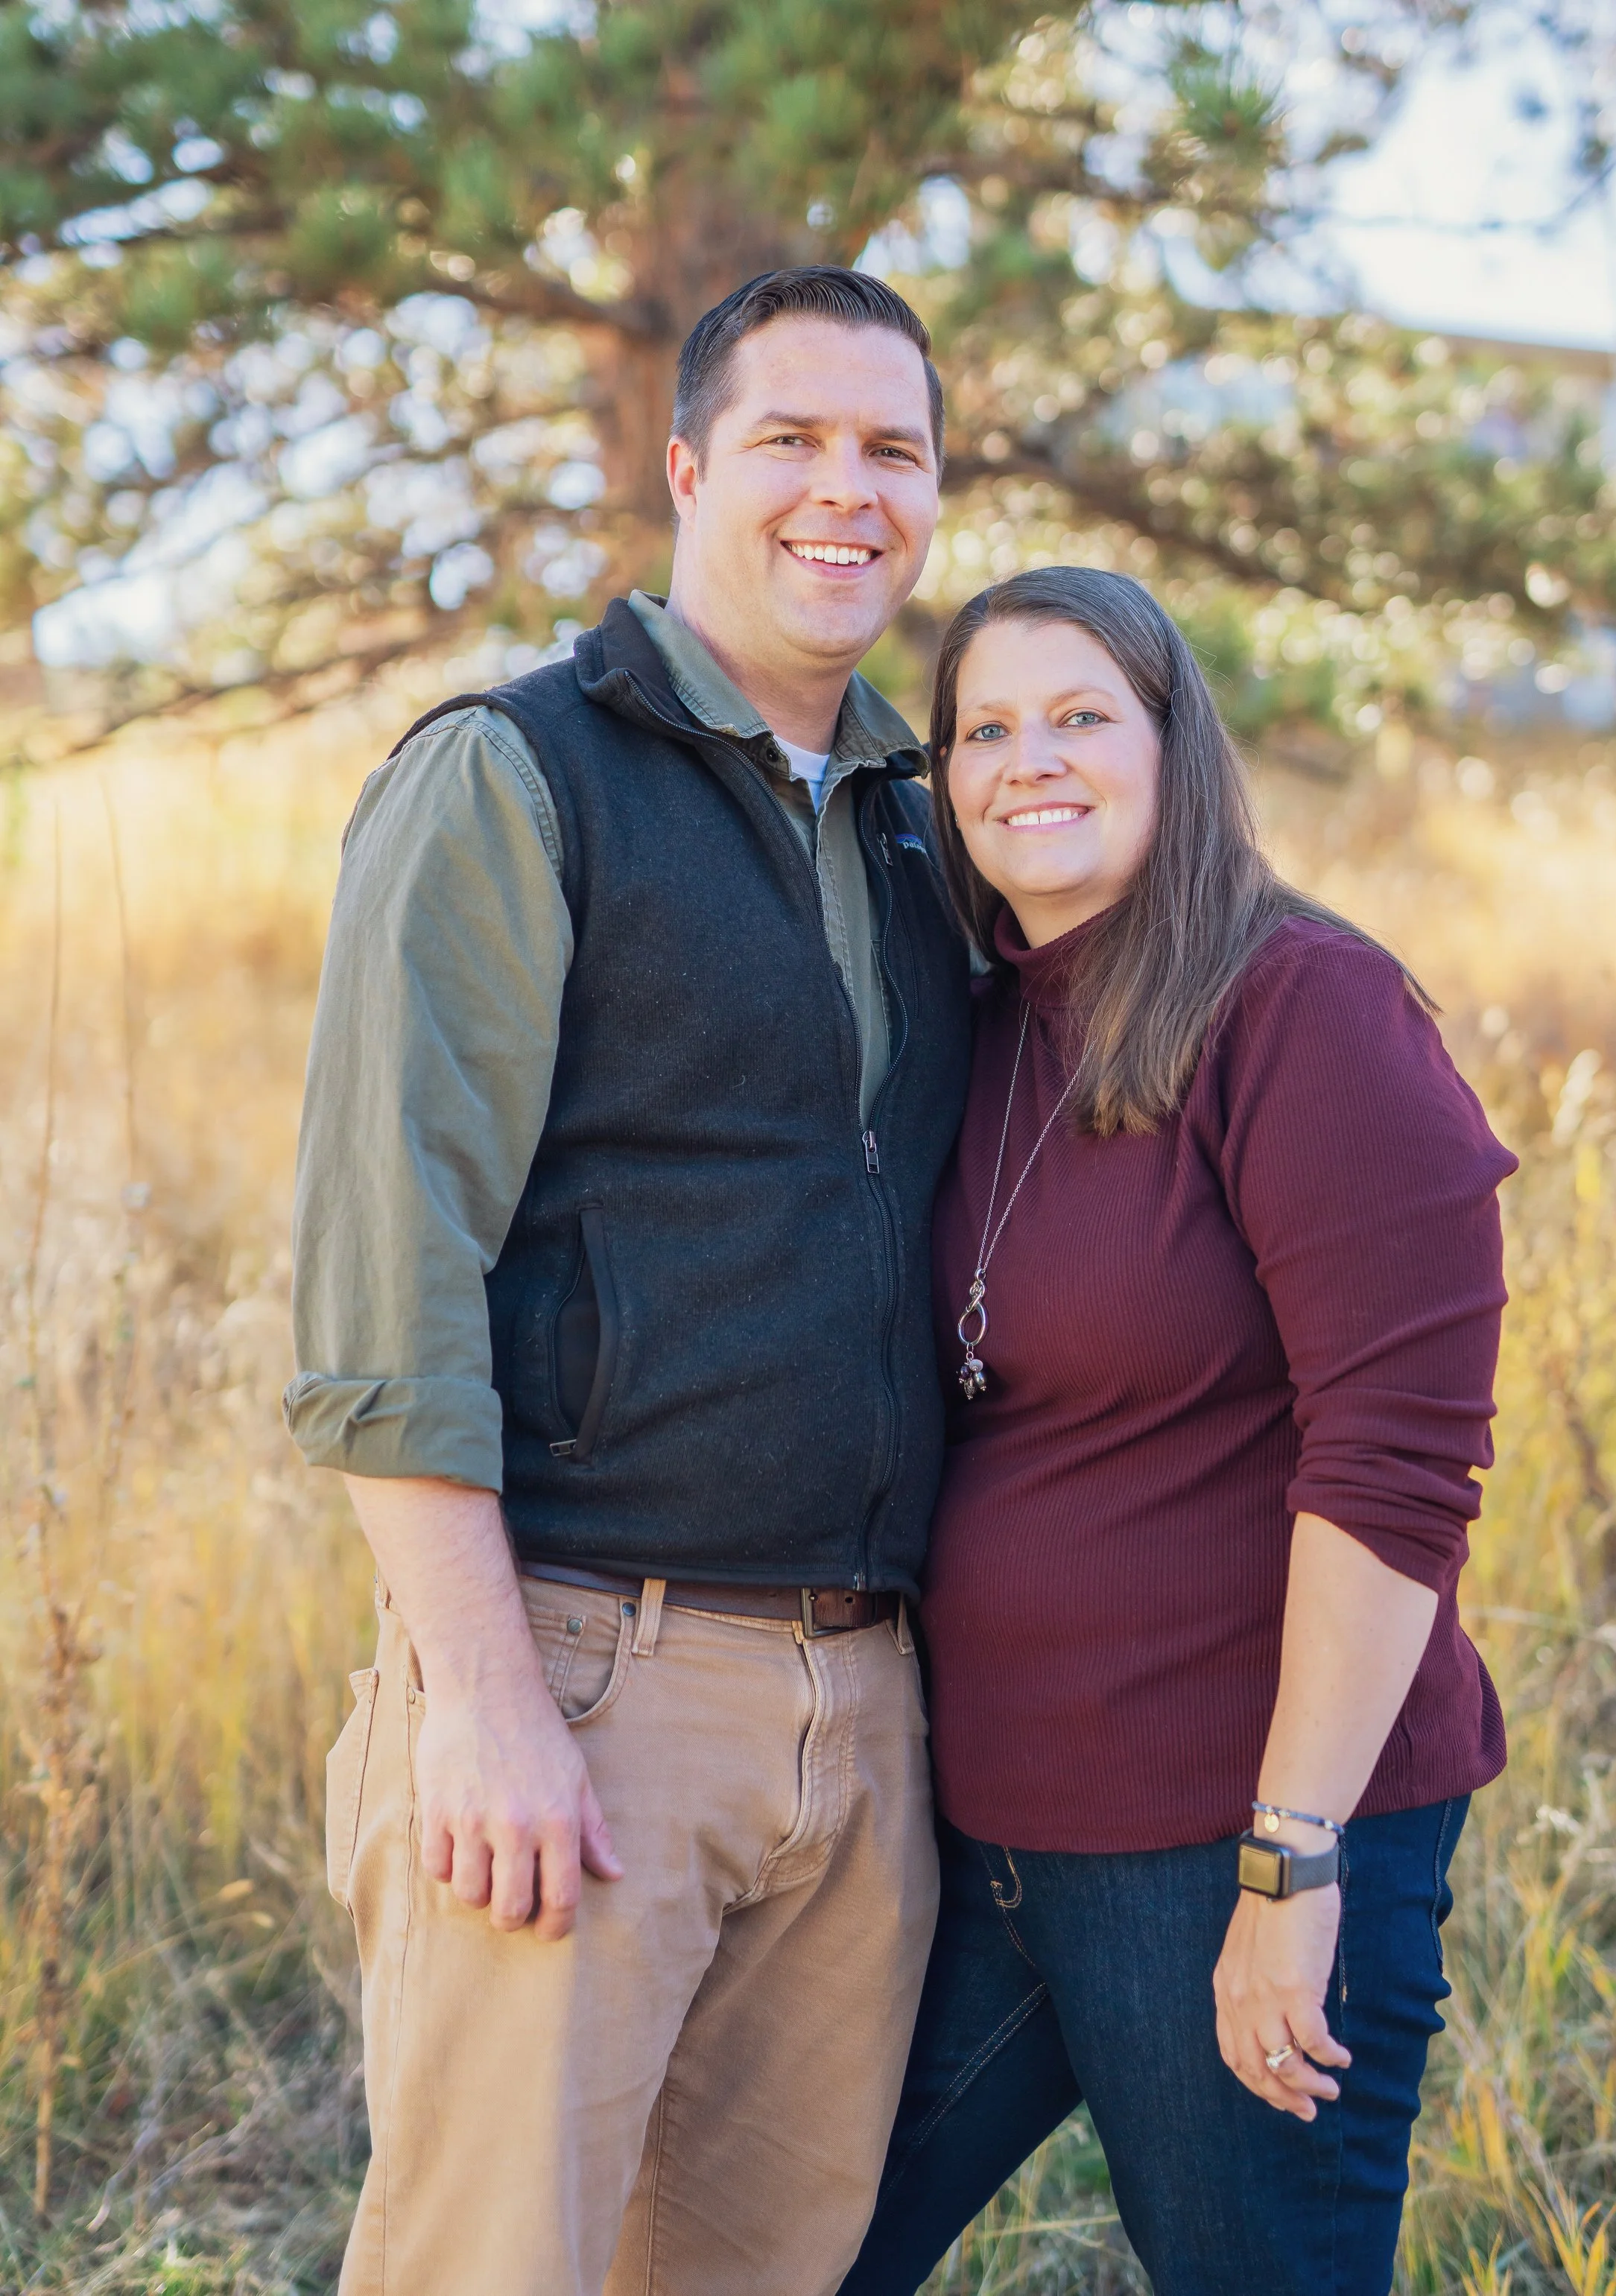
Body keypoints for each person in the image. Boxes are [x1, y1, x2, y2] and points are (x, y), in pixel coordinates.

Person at [286, 267, 972, 2296]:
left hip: (863, 1714)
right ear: (684, 468)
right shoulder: (514, 774)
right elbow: (383, 1274)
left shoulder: (926, 831)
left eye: (892, 451)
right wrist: (487, 1700)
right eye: (790, 439)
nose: (843, 491)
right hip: (587, 1686)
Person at [841, 568, 1517, 2296]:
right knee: (768, 2245)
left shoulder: (1303, 1006)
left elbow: (1394, 1467)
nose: (1026, 759)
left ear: (1171, 742)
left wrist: (1290, 1859)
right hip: (985, 1835)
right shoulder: (980, 1023)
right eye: (982, 728)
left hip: (1226, 1840)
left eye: (1080, 715)